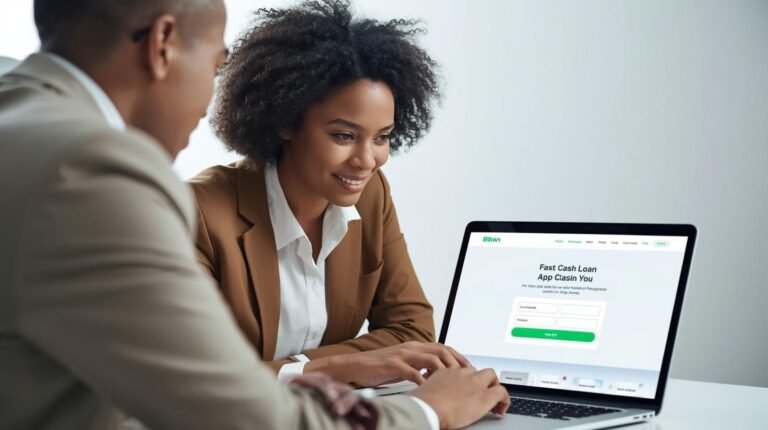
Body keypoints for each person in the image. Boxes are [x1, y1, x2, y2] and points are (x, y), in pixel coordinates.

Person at [0, 0, 510, 429]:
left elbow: (411, 327)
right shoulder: (94, 171)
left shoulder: (20, 118)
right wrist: (427, 411)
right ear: (163, 44)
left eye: (382, 137)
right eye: (215, 66)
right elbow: (235, 413)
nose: (208, 100)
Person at [190, 0, 464, 388]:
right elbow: (195, 376)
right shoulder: (197, 212)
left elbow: (413, 331)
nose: (366, 161)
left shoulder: (371, 196)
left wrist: (297, 369)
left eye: (382, 137)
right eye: (344, 136)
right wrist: (338, 369)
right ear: (286, 121)